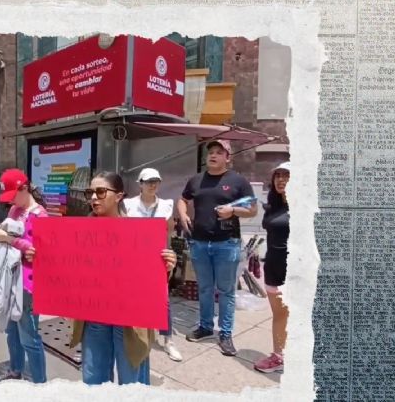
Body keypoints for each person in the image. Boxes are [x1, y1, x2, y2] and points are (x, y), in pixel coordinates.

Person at [46, 171, 177, 385]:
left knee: (131, 383)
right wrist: (38, 258)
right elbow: (66, 268)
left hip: (130, 319)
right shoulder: (79, 232)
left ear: (118, 196)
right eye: (90, 192)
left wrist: (167, 265)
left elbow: (153, 277)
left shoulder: (138, 231)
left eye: (100, 191)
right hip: (95, 315)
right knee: (93, 379)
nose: (94, 198)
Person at [176, 140, 257, 357]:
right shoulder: (196, 180)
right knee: (204, 288)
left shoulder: (238, 181)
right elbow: (182, 200)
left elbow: (252, 209)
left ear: (227, 158)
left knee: (226, 291)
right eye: (210, 152)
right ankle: (205, 327)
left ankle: (226, 334)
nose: (213, 155)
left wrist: (233, 210)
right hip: (199, 242)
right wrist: (183, 214)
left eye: (218, 153)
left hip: (227, 243)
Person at [0, 169, 48, 383]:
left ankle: (40, 384)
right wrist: (1, 237)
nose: (11, 201)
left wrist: (9, 240)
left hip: (29, 284)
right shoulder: (14, 210)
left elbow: (38, 252)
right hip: (10, 277)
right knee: (11, 330)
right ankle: (15, 370)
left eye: (13, 195)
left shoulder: (41, 215)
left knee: (29, 337)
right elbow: (7, 235)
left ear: (25, 188)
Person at [123, 168, 182, 362]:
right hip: (133, 257)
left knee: (163, 299)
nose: (152, 185)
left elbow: (169, 232)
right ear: (140, 184)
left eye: (156, 181)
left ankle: (168, 340)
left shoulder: (166, 205)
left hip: (157, 257)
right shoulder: (128, 204)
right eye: (148, 181)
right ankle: (135, 334)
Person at [254, 162, 290, 373]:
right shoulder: (273, 205)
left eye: (286, 175)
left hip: (295, 269)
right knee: (279, 315)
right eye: (278, 175)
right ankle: (278, 356)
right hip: (273, 266)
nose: (281, 179)